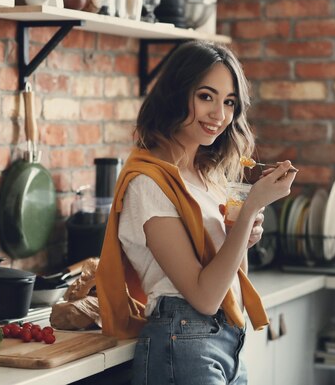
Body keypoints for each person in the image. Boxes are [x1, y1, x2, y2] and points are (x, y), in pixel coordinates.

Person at [95, 40, 298, 385]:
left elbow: (228, 278)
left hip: (226, 341)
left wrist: (242, 233)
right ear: (177, 94)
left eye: (229, 102)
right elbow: (204, 297)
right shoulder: (149, 183)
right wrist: (251, 209)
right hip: (183, 341)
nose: (219, 114)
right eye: (206, 96)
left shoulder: (207, 177)